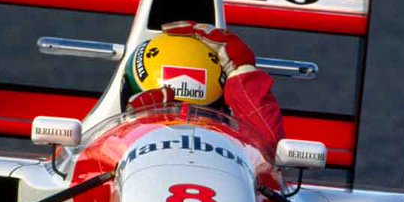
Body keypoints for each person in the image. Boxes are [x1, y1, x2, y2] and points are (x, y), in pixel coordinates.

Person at [121, 21, 285, 153]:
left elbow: (268, 151)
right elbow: (268, 150)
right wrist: (131, 126)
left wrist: (136, 125)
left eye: (197, 115)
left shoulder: (241, 152)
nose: (184, 121)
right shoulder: (114, 149)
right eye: (171, 112)